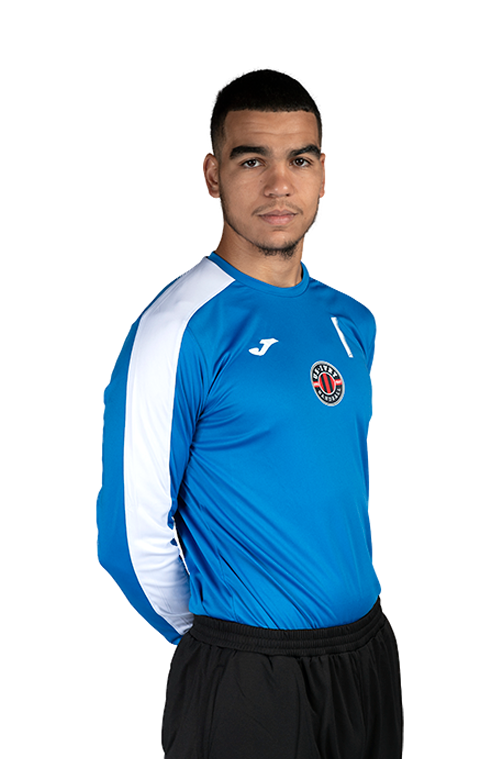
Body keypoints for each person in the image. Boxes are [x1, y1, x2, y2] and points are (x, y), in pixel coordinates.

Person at [99, 71, 402, 759]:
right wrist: (224, 634)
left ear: (321, 174)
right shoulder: (179, 328)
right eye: (251, 160)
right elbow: (131, 538)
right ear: (214, 175)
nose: (279, 185)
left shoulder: (348, 318)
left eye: (300, 160)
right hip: (248, 672)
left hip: (363, 653)